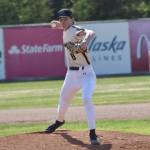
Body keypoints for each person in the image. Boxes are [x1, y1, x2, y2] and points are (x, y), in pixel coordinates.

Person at [45, 8, 100, 145]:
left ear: (72, 19)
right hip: (71, 74)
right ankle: (59, 121)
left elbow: (90, 32)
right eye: (61, 19)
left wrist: (85, 39)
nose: (63, 21)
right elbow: (58, 26)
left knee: (86, 99)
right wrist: (57, 24)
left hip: (86, 73)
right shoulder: (65, 29)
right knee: (63, 99)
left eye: (65, 19)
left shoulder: (76, 30)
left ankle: (92, 133)